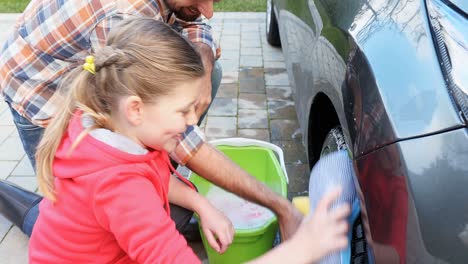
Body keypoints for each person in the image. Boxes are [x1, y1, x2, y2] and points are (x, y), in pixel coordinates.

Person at [28, 18, 350, 263]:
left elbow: (155, 178)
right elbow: (134, 190)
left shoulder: (111, 128)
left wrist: (201, 204)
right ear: (136, 109)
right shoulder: (120, 187)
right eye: (183, 111)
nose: (193, 120)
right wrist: (302, 249)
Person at [0, 0, 303, 240]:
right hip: (37, 88)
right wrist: (281, 208)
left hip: (86, 82)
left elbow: (194, 23)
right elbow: (189, 146)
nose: (209, 12)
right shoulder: (123, 14)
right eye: (184, 113)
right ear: (134, 109)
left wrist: (205, 61)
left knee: (152, 185)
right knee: (81, 214)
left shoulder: (158, 13)